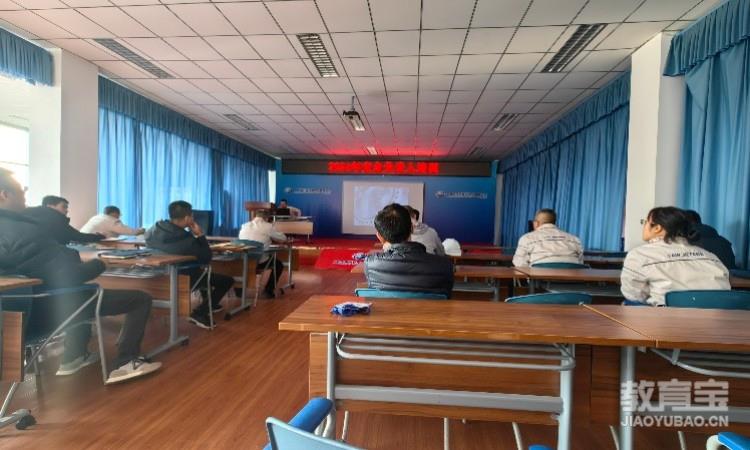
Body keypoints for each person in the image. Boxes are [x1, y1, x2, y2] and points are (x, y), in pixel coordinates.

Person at [0, 168, 160, 383]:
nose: (25, 193)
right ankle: (126, 362)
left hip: (11, 318)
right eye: (21, 189)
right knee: (138, 298)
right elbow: (69, 276)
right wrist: (100, 264)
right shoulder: (25, 231)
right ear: (4, 194)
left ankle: (74, 356)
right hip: (45, 311)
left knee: (81, 296)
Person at [144, 200, 234, 329]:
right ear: (187, 218)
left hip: (155, 277)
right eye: (192, 216)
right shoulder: (186, 239)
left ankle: (211, 305)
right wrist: (200, 235)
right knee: (226, 280)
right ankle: (200, 313)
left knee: (203, 274)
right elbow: (206, 257)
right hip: (182, 277)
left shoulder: (152, 231)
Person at [621, 207, 730, 306]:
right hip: (717, 317)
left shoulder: (639, 255)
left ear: (657, 228)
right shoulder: (711, 256)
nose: (643, 226)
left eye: (645, 222)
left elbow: (633, 295)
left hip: (666, 318)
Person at [364, 203, 454, 298]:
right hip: (428, 308)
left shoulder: (370, 263)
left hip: (388, 308)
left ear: (379, 236)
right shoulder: (444, 265)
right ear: (411, 228)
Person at [239, 209, 287, 297]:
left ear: (255, 216)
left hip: (244, 260)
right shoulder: (268, 226)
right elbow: (283, 238)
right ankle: (268, 290)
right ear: (267, 218)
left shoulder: (244, 225)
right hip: (259, 261)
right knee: (278, 265)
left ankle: (239, 290)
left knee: (244, 265)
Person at [512, 209, 583, 267]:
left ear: (536, 223)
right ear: (554, 222)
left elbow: (519, 264)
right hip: (572, 279)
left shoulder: (527, 238)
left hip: (538, 279)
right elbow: (580, 264)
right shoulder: (575, 240)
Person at [24, 195, 104, 245]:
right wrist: (100, 237)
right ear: (49, 206)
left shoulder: (28, 214)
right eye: (64, 207)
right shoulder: (55, 219)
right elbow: (79, 236)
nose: (67, 210)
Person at [81, 205, 145, 238]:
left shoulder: (96, 217)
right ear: (114, 213)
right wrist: (140, 230)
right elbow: (129, 231)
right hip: (93, 246)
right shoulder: (111, 220)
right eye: (119, 214)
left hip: (80, 245)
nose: (119, 217)